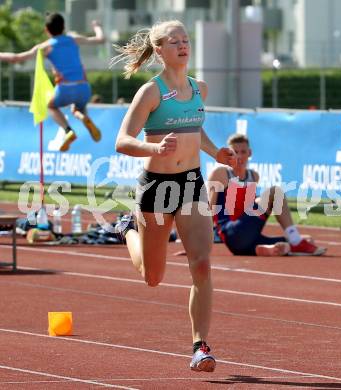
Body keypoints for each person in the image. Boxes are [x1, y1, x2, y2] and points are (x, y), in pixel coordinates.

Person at [112, 20, 236, 372]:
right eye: (174, 42)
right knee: (153, 277)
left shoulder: (200, 89)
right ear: (160, 51)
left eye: (186, 40)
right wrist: (153, 145)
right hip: (156, 187)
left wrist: (216, 153)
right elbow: (122, 140)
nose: (183, 46)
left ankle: (200, 345)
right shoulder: (151, 92)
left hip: (191, 184)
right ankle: (128, 231)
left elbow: (195, 130)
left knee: (202, 263)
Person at [208, 133, 326, 257]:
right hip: (231, 233)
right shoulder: (220, 174)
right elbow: (209, 210)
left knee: (308, 240)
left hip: (247, 238)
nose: (239, 156)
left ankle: (265, 248)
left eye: (243, 152)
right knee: (275, 192)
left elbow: (248, 211)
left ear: (250, 153)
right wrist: (199, 245)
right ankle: (294, 242)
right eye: (235, 152)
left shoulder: (253, 176)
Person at [0, 12, 104, 152]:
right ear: (63, 26)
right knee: (78, 107)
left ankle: (68, 130)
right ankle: (84, 117)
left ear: (47, 30)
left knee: (51, 106)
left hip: (65, 88)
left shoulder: (45, 47)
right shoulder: (73, 39)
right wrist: (97, 27)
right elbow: (100, 39)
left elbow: (16, 58)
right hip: (83, 87)